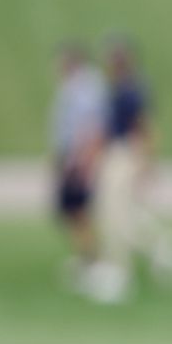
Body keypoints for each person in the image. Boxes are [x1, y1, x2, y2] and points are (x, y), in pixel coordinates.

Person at [94, 36, 172, 302]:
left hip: (126, 153)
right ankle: (159, 250)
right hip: (118, 152)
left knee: (117, 215)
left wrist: (146, 162)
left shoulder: (132, 89)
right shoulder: (120, 87)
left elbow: (144, 126)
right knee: (119, 215)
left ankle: (122, 271)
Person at [49, 42, 107, 296]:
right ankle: (86, 259)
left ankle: (92, 261)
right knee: (69, 212)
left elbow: (90, 126)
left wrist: (83, 160)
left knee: (78, 211)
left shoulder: (85, 87)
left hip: (77, 158)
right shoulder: (74, 85)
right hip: (69, 157)